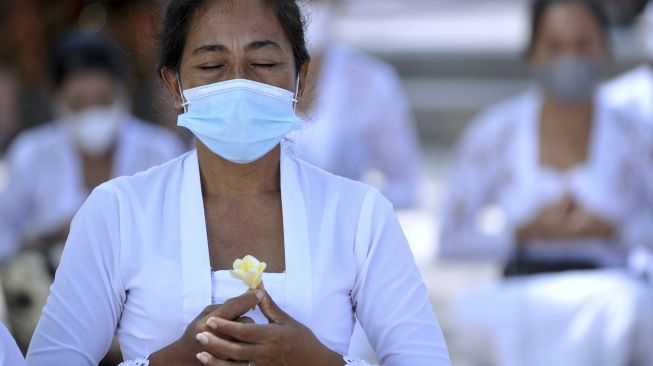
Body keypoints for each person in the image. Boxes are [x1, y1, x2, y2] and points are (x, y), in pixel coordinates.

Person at [26, 1, 451, 366]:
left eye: (263, 64)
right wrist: (169, 361)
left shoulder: (359, 215)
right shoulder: (117, 212)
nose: (239, 84)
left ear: (300, 80)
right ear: (175, 84)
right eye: (212, 65)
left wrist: (321, 362)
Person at [440, 0, 653, 365]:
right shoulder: (497, 132)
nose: (569, 58)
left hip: (609, 291)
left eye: (583, 44)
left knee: (632, 308)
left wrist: (613, 230)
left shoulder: (636, 134)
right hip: (519, 294)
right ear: (532, 54)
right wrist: (521, 233)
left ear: (605, 47)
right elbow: (450, 239)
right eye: (555, 46)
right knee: (463, 318)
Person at [0, 30, 184, 354]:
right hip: (48, 296)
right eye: (78, 104)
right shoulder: (30, 153)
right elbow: (4, 235)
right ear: (55, 98)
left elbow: (179, 229)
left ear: (123, 90)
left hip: (137, 290)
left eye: (103, 100)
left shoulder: (159, 150)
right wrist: (43, 237)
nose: (92, 112)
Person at [289, 0, 421, 209]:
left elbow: (406, 186)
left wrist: (348, 203)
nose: (307, 8)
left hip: (340, 236)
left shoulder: (372, 82)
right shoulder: (247, 76)